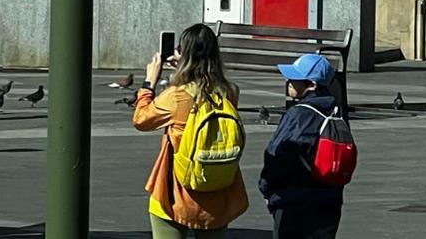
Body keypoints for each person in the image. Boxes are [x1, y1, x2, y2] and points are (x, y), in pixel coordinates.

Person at [132, 24, 249, 238]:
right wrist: (186, 66)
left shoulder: (176, 96)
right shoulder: (230, 92)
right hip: (218, 190)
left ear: (182, 55)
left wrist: (149, 83)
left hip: (175, 194)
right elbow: (204, 86)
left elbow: (141, 120)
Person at [259, 53, 344, 239]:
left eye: (295, 78)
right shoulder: (335, 111)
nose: (288, 81)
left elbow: (278, 155)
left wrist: (267, 190)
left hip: (295, 202)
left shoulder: (298, 115)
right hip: (330, 199)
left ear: (311, 85)